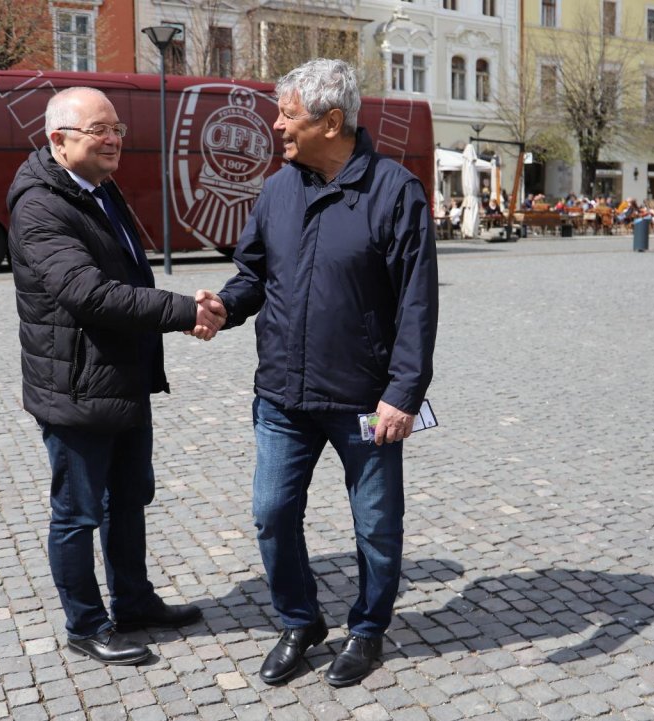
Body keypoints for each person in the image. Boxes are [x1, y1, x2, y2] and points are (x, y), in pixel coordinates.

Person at [210, 59, 438, 687]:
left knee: (376, 526)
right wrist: (224, 306)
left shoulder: (395, 191)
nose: (276, 125)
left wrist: (403, 394)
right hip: (282, 395)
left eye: (288, 115)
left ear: (331, 122)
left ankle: (367, 630)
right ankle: (300, 620)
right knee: (271, 513)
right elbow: (253, 272)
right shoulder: (278, 189)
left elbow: (417, 302)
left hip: (365, 399)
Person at [5, 86, 224, 666]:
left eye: (117, 129)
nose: (113, 140)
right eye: (99, 130)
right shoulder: (40, 205)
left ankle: (134, 602)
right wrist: (183, 311)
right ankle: (85, 624)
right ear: (59, 140)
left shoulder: (97, 188)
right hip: (75, 386)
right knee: (77, 513)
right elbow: (89, 294)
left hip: (120, 378)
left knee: (127, 498)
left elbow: (128, 277)